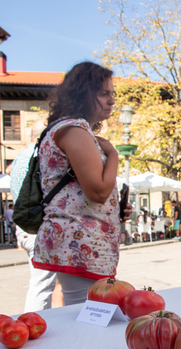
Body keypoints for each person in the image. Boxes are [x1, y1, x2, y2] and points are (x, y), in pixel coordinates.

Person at [32, 61, 132, 306]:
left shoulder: (74, 129)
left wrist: (114, 210)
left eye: (112, 94)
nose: (112, 101)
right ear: (84, 94)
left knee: (90, 312)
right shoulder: (74, 129)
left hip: (82, 240)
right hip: (78, 241)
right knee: (88, 314)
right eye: (103, 93)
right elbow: (97, 190)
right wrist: (115, 156)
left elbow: (82, 192)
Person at [7, 121, 60, 312]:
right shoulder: (40, 155)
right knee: (42, 283)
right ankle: (34, 322)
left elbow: (8, 171)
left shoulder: (21, 157)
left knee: (47, 282)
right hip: (38, 227)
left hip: (25, 227)